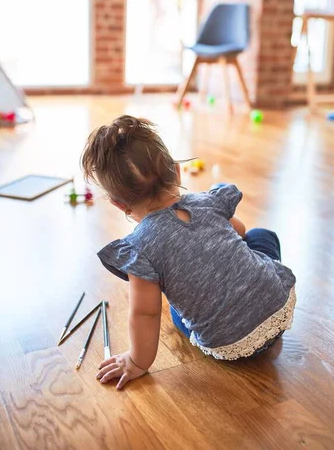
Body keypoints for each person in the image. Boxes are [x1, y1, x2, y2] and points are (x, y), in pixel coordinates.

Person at [81, 115, 296, 390]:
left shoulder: (140, 248)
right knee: (261, 236)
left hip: (229, 342)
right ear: (177, 172)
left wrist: (136, 362)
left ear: (119, 204)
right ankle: (259, 291)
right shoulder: (207, 202)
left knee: (174, 312)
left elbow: (145, 313)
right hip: (278, 306)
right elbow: (239, 231)